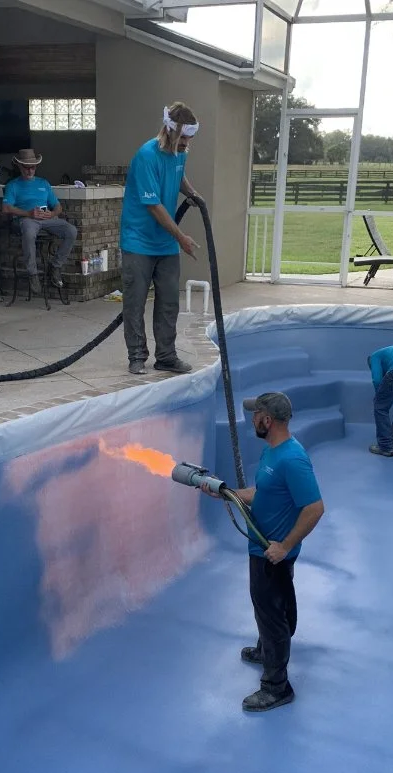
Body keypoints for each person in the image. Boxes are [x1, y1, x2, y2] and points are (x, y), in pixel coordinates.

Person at [224, 392, 324, 713]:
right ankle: (265, 649)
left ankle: (277, 687)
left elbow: (314, 508)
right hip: (261, 548)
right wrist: (228, 493)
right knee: (267, 606)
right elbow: (263, 492)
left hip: (272, 554)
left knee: (272, 616)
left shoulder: (291, 459)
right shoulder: (272, 453)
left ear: (267, 420)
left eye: (256, 414)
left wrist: (285, 546)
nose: (252, 419)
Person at [120, 102, 203, 378]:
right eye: (185, 138)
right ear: (170, 131)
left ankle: (166, 356)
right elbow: (154, 206)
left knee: (169, 301)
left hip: (165, 242)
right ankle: (136, 356)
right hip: (139, 240)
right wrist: (182, 238)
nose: (188, 143)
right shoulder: (146, 156)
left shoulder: (180, 153)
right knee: (135, 302)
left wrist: (192, 193)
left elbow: (179, 176)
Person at [2, 149, 78, 296]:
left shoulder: (44, 183)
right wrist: (28, 213)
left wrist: (53, 213)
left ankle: (55, 266)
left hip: (47, 218)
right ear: (19, 167)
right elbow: (6, 208)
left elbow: (58, 206)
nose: (30, 170)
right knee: (29, 233)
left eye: (33, 167)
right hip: (27, 219)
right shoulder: (13, 185)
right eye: (26, 167)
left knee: (71, 231)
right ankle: (33, 273)